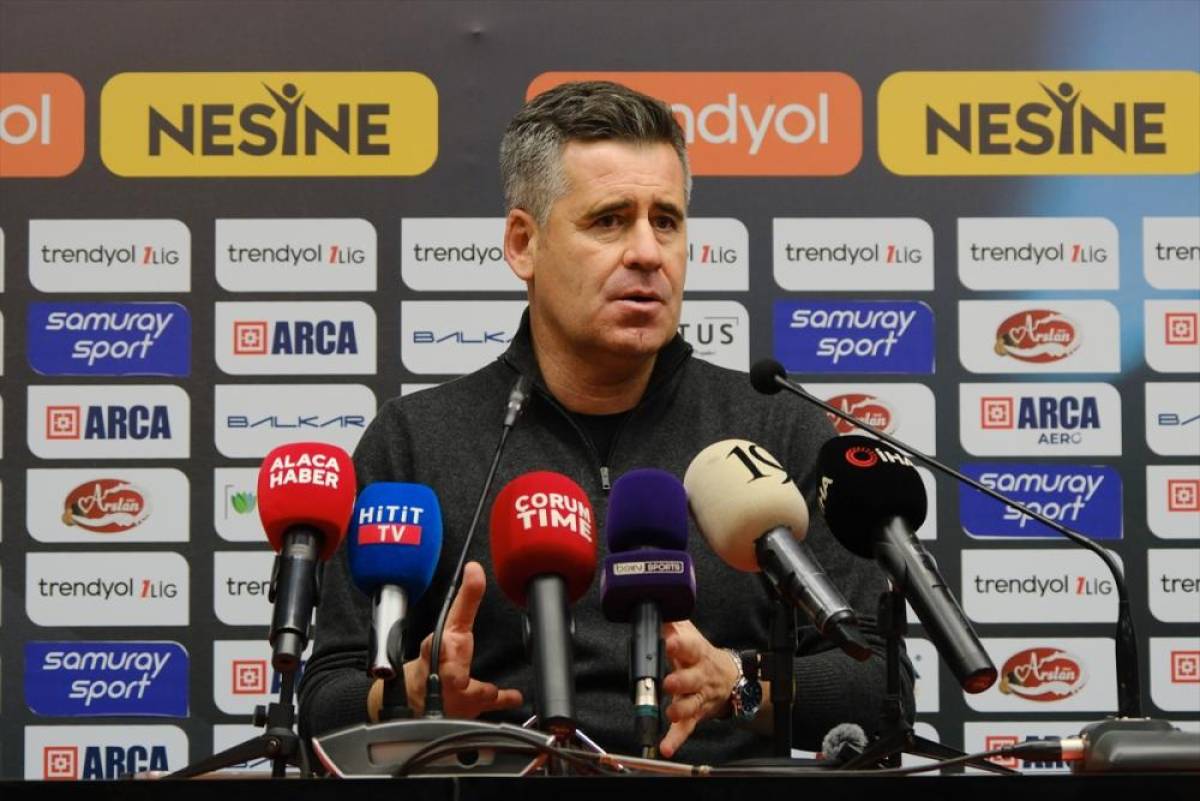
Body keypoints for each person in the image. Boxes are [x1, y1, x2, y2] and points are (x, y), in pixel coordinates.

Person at [299, 80, 913, 764]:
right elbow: (323, 701)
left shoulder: (774, 430)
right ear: (524, 243)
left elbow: (880, 688)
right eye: (610, 220)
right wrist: (411, 695)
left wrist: (738, 685)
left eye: (666, 221)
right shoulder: (414, 441)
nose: (648, 252)